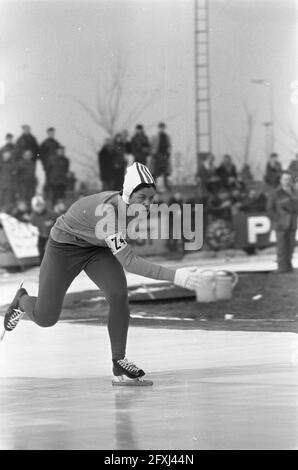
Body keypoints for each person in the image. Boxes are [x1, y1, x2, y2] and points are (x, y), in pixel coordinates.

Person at [2, 163, 201, 385]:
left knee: (118, 295)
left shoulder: (130, 208)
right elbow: (130, 262)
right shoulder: (107, 214)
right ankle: (21, 300)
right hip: (64, 247)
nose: (148, 204)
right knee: (46, 318)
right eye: (143, 197)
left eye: (151, 198)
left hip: (97, 248)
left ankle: (119, 361)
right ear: (128, 193)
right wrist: (175, 276)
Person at [267, 171, 298, 273]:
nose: (287, 181)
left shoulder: (294, 192)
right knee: (281, 246)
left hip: (292, 223)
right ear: (281, 180)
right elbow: (270, 209)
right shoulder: (275, 193)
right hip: (281, 224)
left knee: (290, 246)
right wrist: (277, 220)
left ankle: (288, 266)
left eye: (289, 179)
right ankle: (282, 267)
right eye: (285, 179)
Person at [30, 196, 58, 264]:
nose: (39, 208)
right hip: (41, 234)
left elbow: (58, 221)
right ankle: (42, 264)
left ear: (43, 205)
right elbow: (32, 226)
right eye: (37, 206)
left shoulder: (51, 213)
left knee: (52, 249)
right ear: (34, 207)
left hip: (52, 234)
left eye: (40, 205)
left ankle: (55, 263)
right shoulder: (33, 216)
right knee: (41, 249)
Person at [151, 122, 172, 190]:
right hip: (158, 156)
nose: (162, 129)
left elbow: (169, 146)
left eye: (163, 128)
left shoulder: (167, 136)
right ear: (159, 128)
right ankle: (155, 186)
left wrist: (168, 153)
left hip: (165, 156)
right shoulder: (155, 136)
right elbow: (152, 146)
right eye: (161, 128)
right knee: (156, 172)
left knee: (165, 172)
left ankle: (166, 186)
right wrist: (154, 154)